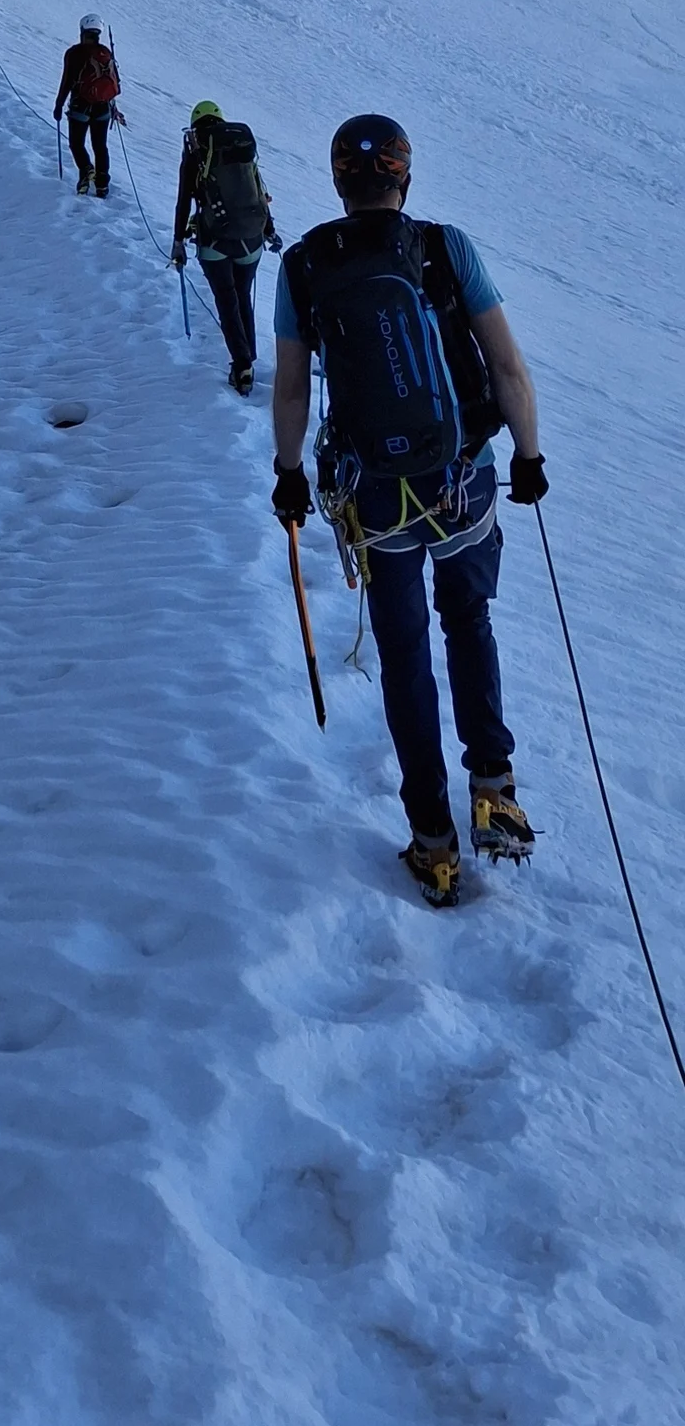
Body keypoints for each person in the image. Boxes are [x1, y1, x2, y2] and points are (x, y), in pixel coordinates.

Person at [271, 113, 544, 907]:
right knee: (470, 620)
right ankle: (494, 787)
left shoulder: (305, 265)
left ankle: (432, 838)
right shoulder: (445, 246)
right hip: (466, 482)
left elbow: (291, 389)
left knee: (404, 655)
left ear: (338, 181)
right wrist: (526, 455)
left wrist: (289, 473)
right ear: (404, 176)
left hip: (379, 497)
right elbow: (507, 366)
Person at [171, 100, 280, 394]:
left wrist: (178, 241)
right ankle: (250, 356)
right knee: (242, 295)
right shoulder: (242, 148)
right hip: (252, 239)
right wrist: (270, 231)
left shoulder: (196, 152)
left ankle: (242, 365)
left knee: (226, 300)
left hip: (215, 241)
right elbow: (257, 189)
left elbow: (184, 201)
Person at [54, 16, 120, 194]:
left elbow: (66, 81)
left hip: (80, 106)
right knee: (100, 146)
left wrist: (59, 105)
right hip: (103, 107)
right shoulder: (105, 52)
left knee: (77, 144)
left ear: (82, 31)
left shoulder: (74, 53)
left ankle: (86, 170)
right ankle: (102, 185)